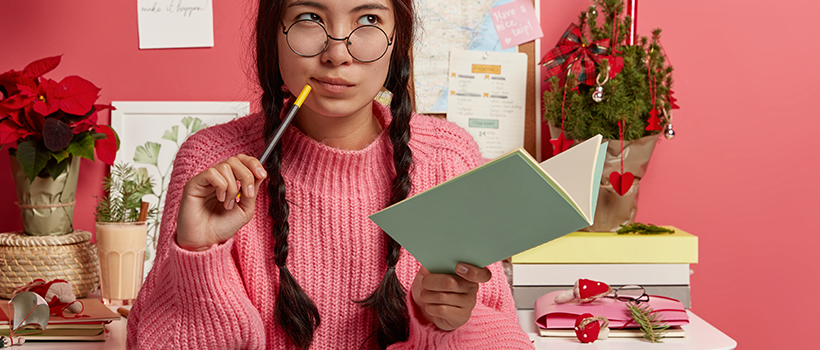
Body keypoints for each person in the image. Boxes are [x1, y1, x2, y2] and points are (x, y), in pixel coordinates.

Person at [126, 0, 533, 348]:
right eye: (309, 17)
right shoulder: (211, 165)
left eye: (369, 20)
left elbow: (506, 335)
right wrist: (199, 261)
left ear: (399, 39)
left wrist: (446, 326)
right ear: (273, 34)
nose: (338, 52)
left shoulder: (450, 159)